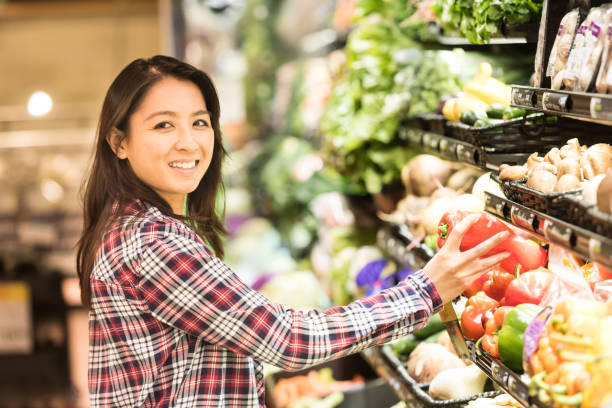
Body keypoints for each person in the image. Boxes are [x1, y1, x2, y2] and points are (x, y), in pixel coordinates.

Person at [77, 55, 510, 407]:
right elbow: (288, 340)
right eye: (163, 125)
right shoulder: (154, 244)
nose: (189, 142)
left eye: (200, 121)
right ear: (119, 142)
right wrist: (427, 288)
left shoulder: (134, 224)